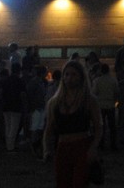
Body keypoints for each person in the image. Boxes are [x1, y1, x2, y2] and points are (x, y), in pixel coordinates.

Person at [43, 60, 102, 188]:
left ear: (81, 77)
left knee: (79, 183)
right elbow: (49, 128)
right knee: (62, 183)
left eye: (74, 74)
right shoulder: (55, 102)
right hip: (62, 147)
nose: (69, 78)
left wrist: (93, 148)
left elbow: (98, 127)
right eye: (67, 74)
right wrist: (46, 148)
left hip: (82, 145)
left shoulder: (89, 100)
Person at [91, 64, 119, 152]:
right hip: (110, 104)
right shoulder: (113, 80)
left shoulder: (97, 81)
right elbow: (117, 92)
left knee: (101, 125)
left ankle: (101, 144)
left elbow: (94, 93)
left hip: (100, 105)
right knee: (112, 126)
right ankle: (113, 144)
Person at [0, 65, 27, 152]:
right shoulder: (20, 81)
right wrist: (25, 106)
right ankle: (10, 147)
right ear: (19, 71)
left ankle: (9, 145)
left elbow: (1, 93)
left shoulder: (5, 80)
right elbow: (23, 95)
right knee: (14, 127)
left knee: (8, 126)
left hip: (5, 106)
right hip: (16, 106)